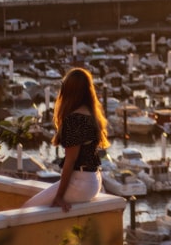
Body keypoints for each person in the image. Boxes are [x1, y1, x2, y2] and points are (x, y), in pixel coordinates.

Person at [23, 67, 110, 211]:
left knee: (27, 209)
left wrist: (59, 196)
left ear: (68, 91)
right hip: (94, 179)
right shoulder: (92, 114)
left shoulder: (75, 119)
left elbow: (71, 161)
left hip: (81, 183)